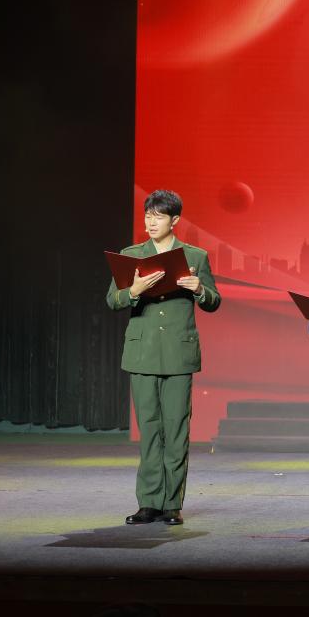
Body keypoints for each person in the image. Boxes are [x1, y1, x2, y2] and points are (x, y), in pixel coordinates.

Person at [106, 189, 221, 527]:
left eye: (158, 216)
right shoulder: (131, 255)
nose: (151, 222)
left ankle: (172, 504)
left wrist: (198, 289)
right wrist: (134, 291)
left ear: (175, 220)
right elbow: (112, 300)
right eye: (148, 216)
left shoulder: (195, 256)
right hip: (142, 352)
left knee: (176, 429)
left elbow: (214, 301)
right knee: (150, 430)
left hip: (178, 353)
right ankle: (148, 502)